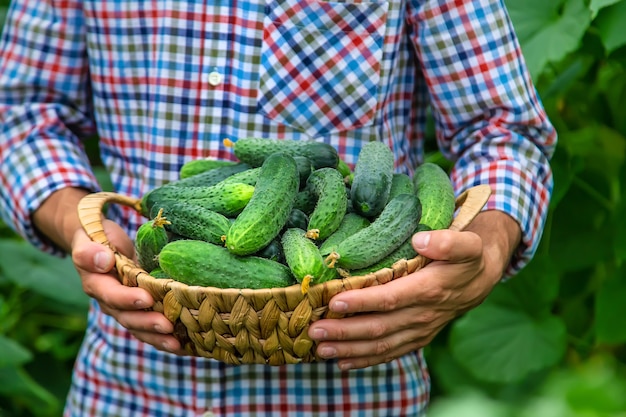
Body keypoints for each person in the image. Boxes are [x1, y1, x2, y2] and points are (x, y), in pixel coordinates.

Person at [0, 0, 557, 414]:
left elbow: (501, 129)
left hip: (351, 387)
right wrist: (81, 226)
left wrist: (487, 247)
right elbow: (22, 116)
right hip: (128, 387)